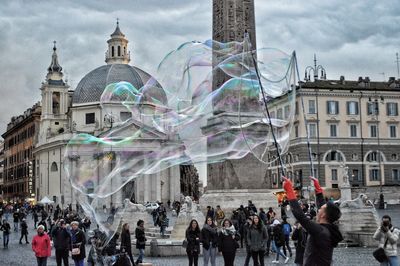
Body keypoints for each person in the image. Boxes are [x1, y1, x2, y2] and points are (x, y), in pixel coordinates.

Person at [283, 176, 343, 266]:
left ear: (323, 215)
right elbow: (323, 206)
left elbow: (301, 216)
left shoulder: (320, 231)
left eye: (320, 209)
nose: (318, 210)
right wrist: (318, 191)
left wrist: (289, 191)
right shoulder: (328, 228)